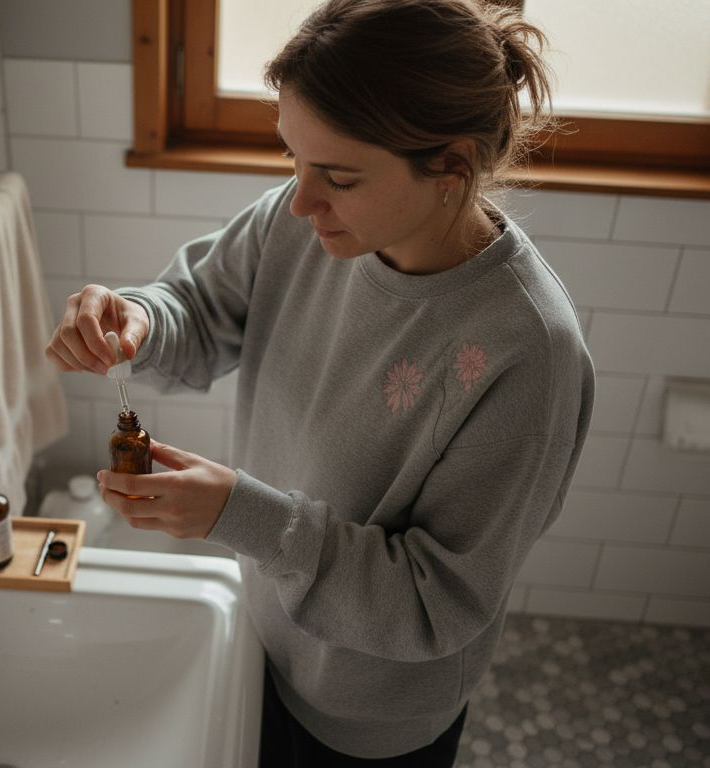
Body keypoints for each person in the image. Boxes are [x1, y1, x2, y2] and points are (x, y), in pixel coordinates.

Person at [45, 0, 593, 764]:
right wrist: (137, 318)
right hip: (261, 634)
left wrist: (243, 516)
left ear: (452, 167)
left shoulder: (527, 355)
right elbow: (199, 306)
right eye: (292, 162)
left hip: (370, 711)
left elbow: (436, 601)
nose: (301, 201)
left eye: (336, 177)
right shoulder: (301, 222)